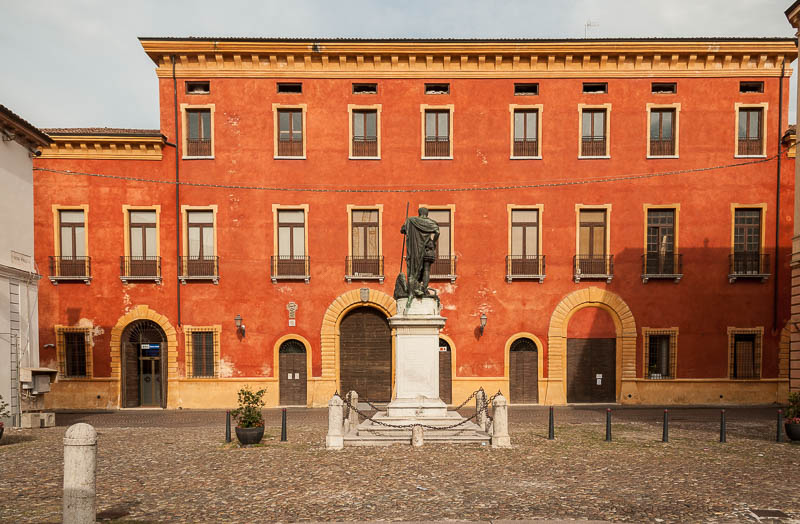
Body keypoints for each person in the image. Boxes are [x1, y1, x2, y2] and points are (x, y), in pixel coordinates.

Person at [400, 207, 440, 298]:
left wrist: (407, 227)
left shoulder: (411, 220)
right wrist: (433, 242)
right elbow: (437, 232)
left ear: (419, 213)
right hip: (428, 249)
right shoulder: (431, 222)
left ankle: (414, 289)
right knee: (426, 270)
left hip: (416, 251)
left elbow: (402, 230)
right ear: (427, 214)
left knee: (414, 269)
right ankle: (424, 289)